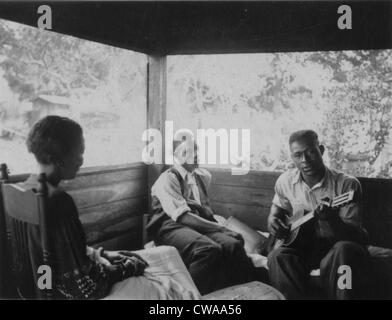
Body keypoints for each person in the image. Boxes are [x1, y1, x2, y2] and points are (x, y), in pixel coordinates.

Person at [24, 116, 199, 299]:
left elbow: (62, 252)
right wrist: (128, 267)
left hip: (49, 284)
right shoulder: (59, 201)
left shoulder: (29, 187)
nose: (81, 161)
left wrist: (103, 254)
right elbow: (89, 286)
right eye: (78, 153)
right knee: (168, 287)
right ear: (60, 157)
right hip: (71, 292)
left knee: (168, 251)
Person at [267, 130, 371, 300]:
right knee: (277, 256)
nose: (305, 160)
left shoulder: (347, 184)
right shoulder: (285, 181)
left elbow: (356, 236)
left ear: (321, 150)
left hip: (334, 247)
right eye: (298, 155)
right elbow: (274, 213)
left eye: (310, 152)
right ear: (292, 157)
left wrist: (332, 219)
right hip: (304, 247)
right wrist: (273, 222)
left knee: (345, 249)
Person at [146, 134, 256, 295]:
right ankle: (191, 296)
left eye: (196, 151)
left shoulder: (201, 177)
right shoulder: (167, 179)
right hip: (169, 226)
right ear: (175, 156)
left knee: (234, 243)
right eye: (187, 152)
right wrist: (220, 228)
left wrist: (217, 226)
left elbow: (200, 209)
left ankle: (239, 291)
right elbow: (183, 216)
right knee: (208, 250)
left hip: (193, 225)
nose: (195, 155)